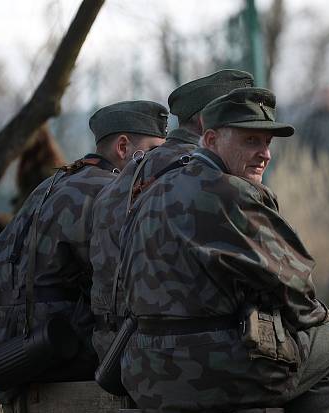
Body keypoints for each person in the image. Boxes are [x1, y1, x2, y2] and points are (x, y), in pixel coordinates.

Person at [117, 87, 329, 413]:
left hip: (146, 376)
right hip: (210, 373)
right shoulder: (232, 193)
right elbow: (299, 292)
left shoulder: (151, 190)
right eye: (250, 139)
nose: (264, 152)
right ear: (210, 139)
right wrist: (310, 317)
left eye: (267, 142)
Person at [0, 101, 167, 402]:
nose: (158, 166)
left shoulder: (51, 184)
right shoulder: (109, 193)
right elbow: (125, 284)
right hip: (59, 353)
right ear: (123, 147)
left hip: (11, 345)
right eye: (153, 153)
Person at [90, 70, 254, 359]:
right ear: (207, 124)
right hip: (191, 351)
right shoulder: (213, 177)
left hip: (116, 351)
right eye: (243, 124)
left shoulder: (116, 183)